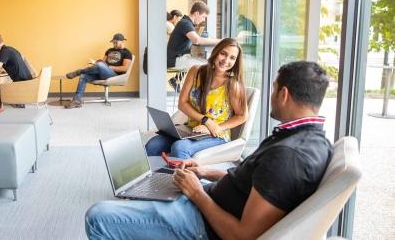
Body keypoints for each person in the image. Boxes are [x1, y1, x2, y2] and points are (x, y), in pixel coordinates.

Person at [85, 61, 332, 240]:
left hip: (201, 223)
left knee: (98, 216)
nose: (272, 95)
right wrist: (205, 172)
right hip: (207, 200)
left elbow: (242, 237)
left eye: (274, 88)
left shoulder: (289, 157)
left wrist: (196, 194)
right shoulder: (309, 140)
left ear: (284, 94)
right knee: (152, 184)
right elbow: (258, 187)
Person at [146, 38, 247, 159]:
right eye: (223, 54)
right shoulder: (196, 71)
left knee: (179, 148)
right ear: (216, 52)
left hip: (216, 135)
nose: (226, 60)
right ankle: (155, 177)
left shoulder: (233, 85)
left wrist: (215, 127)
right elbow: (182, 103)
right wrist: (206, 121)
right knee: (152, 145)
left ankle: (184, 178)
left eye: (232, 58)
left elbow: (242, 116)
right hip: (191, 130)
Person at [64, 33, 133, 109]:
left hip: (114, 75)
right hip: (102, 71)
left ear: (122, 41)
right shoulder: (109, 50)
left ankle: (80, 71)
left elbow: (124, 68)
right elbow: (103, 62)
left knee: (100, 65)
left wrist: (108, 67)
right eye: (113, 42)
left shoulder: (127, 53)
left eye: (116, 42)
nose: (114, 44)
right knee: (84, 76)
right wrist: (96, 63)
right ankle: (77, 100)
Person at [167, 0, 220, 70]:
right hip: (176, 60)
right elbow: (197, 40)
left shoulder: (185, 22)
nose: (203, 20)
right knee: (209, 66)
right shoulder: (185, 23)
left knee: (207, 63)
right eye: (203, 16)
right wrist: (220, 41)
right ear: (197, 13)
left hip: (178, 58)